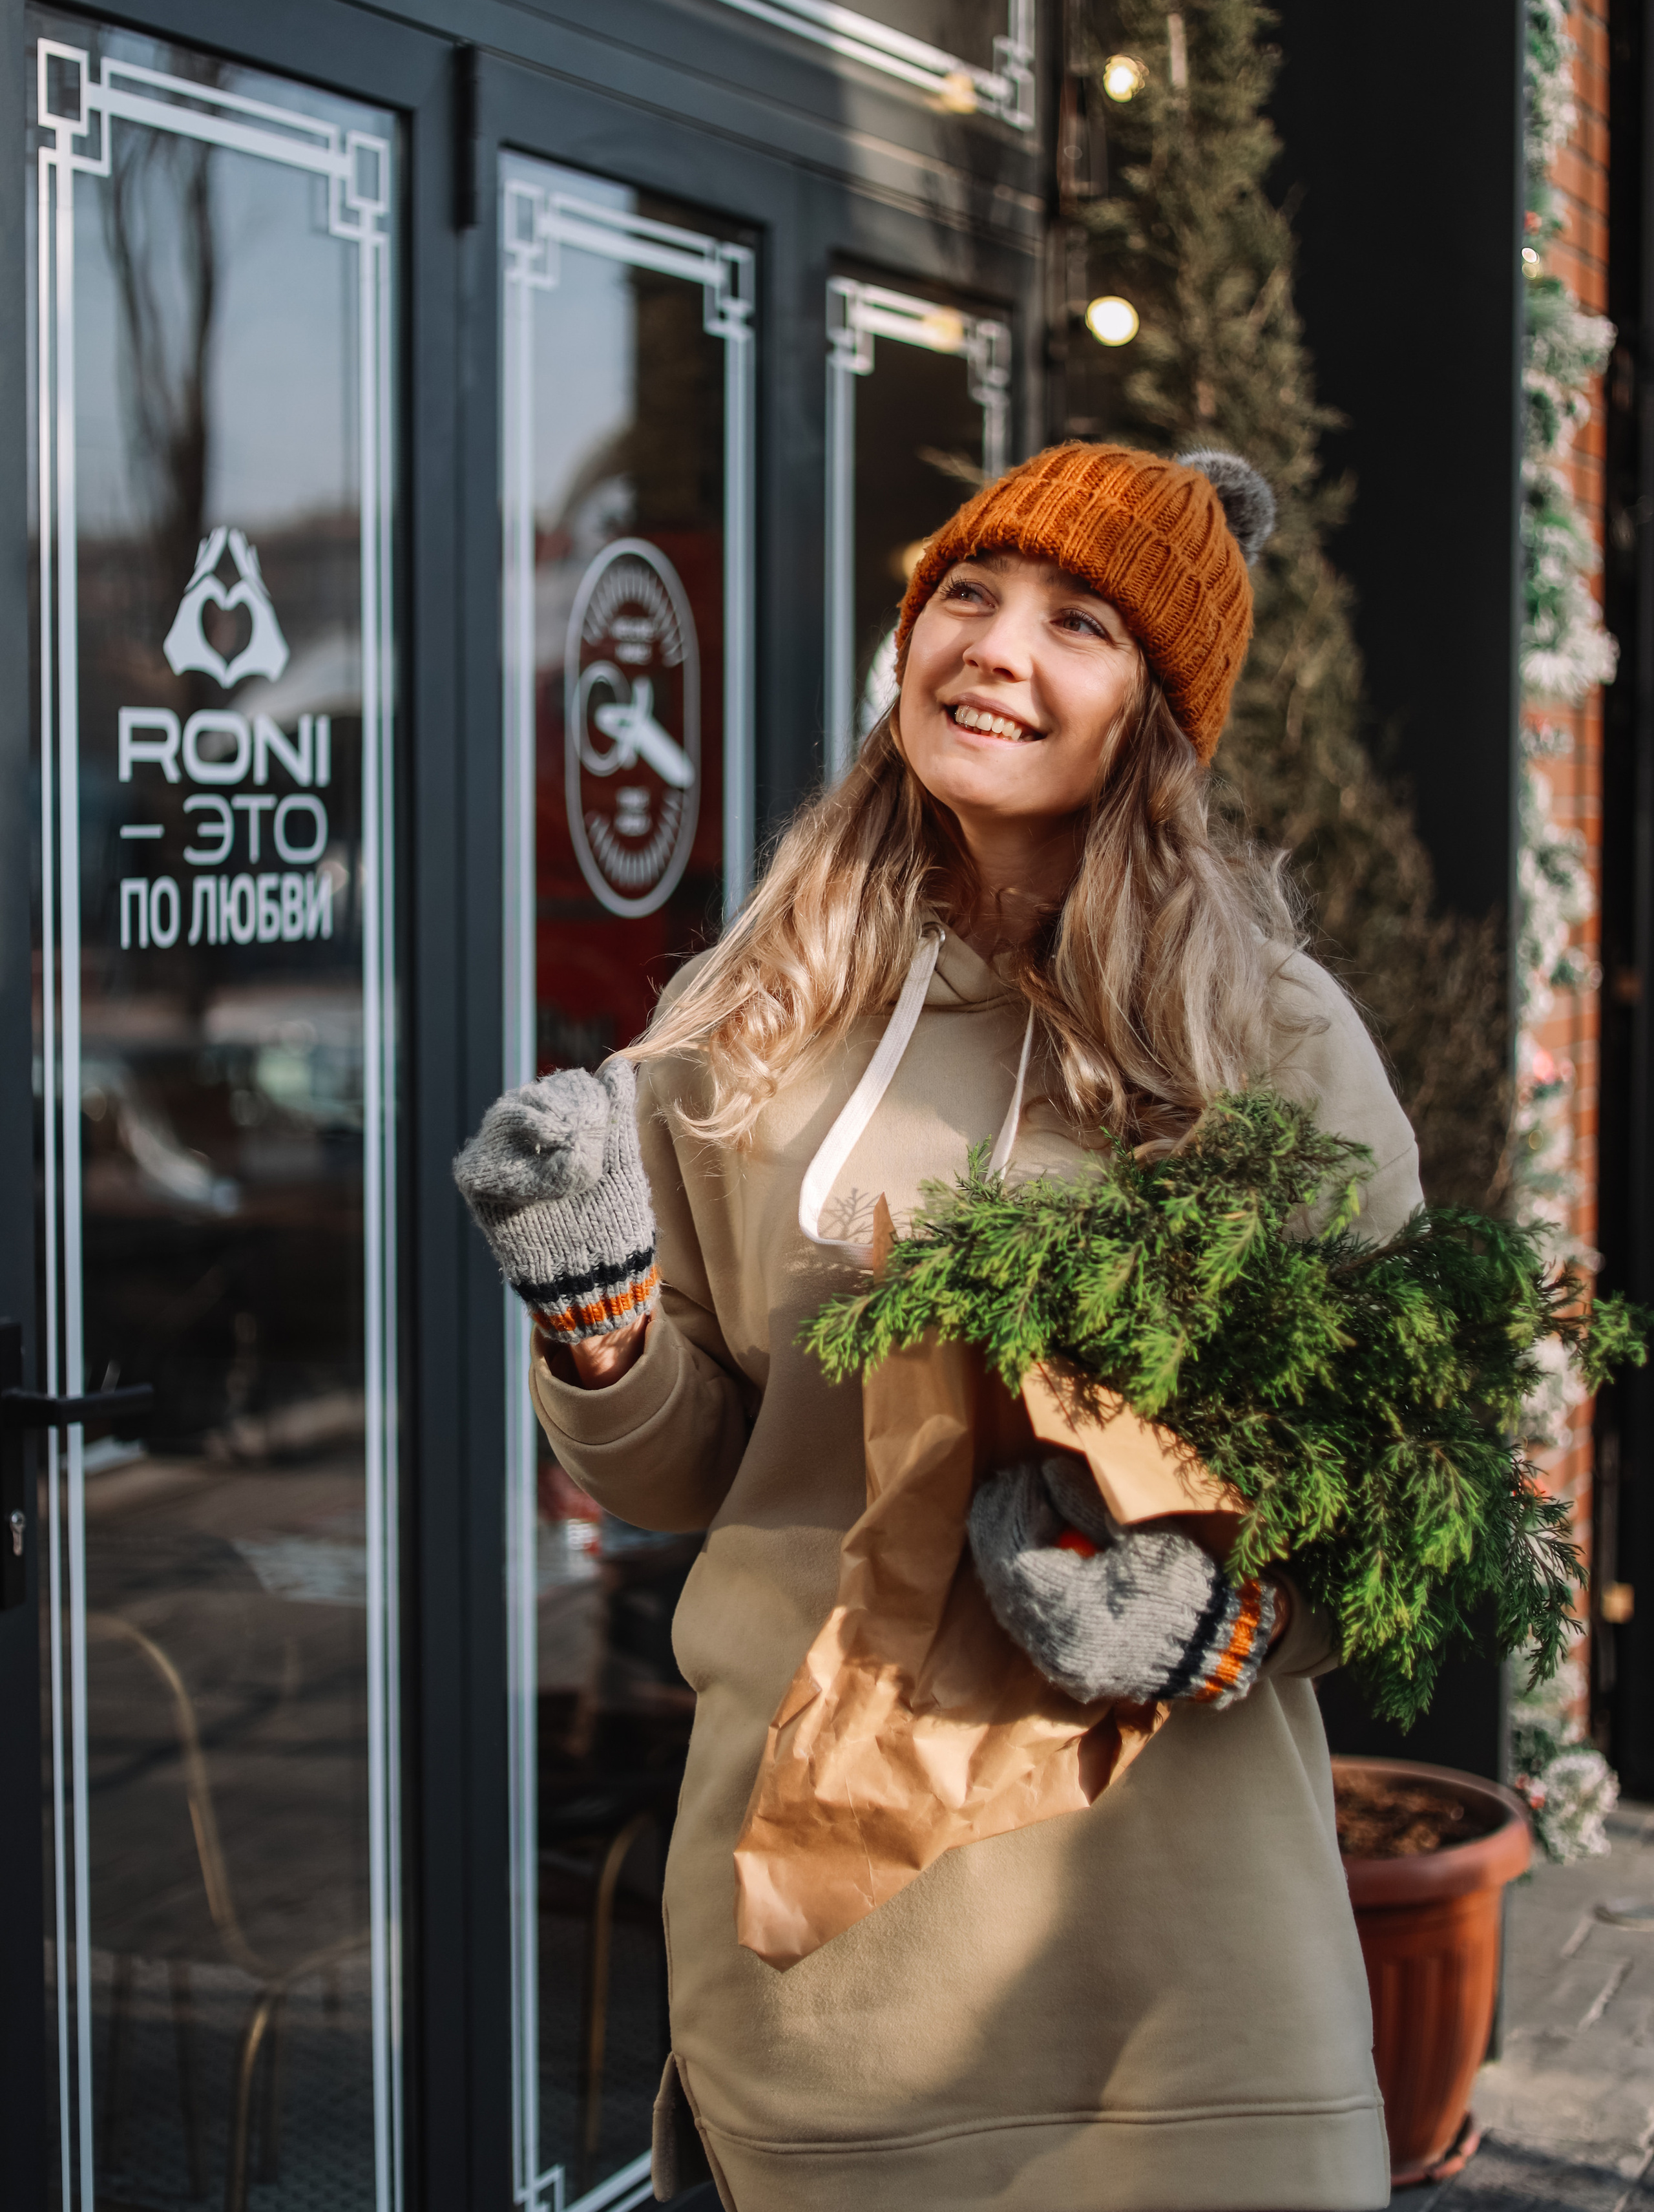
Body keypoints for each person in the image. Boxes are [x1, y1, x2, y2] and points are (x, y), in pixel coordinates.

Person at [455, 441, 1418, 2212]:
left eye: (1079, 622)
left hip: (1188, 1986)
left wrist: (1212, 1625)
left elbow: (1403, 1497)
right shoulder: (754, 1012)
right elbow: (690, 1475)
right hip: (825, 1960)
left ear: (1159, 713)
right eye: (966, 594)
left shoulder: (1261, 1040)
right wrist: (588, 1308)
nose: (995, 647)